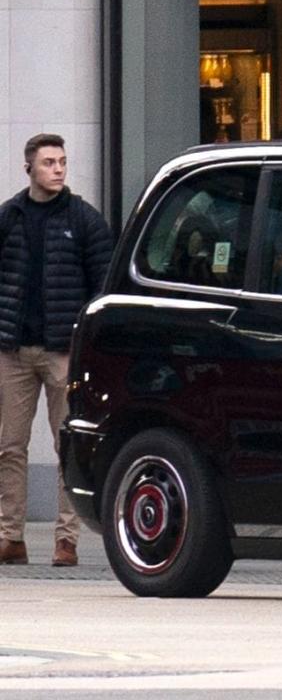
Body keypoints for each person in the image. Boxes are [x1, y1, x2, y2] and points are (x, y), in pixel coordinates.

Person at [0, 134, 113, 566]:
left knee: (67, 443)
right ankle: (11, 536)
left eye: (63, 161)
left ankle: (66, 540)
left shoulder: (84, 220)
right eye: (49, 162)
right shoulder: (9, 217)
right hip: (14, 349)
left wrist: (87, 340)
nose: (59, 169)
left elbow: (102, 283)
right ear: (29, 167)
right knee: (10, 445)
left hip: (64, 350)